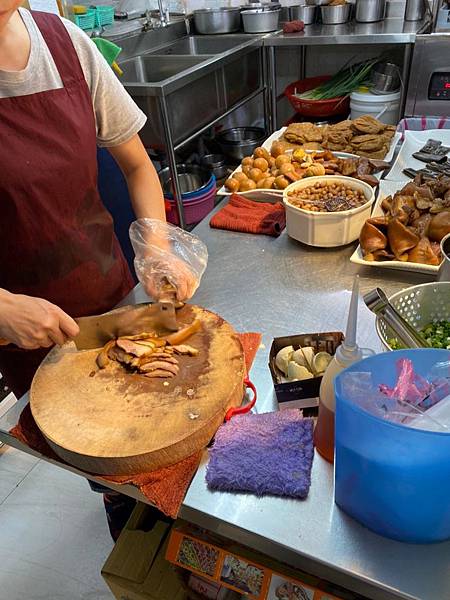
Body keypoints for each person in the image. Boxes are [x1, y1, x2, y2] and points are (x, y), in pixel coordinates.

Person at [0, 2, 193, 539]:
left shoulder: (63, 41)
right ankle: (130, 528)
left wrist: (154, 247)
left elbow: (136, 164)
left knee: (157, 424)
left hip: (110, 293)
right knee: (103, 462)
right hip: (26, 332)